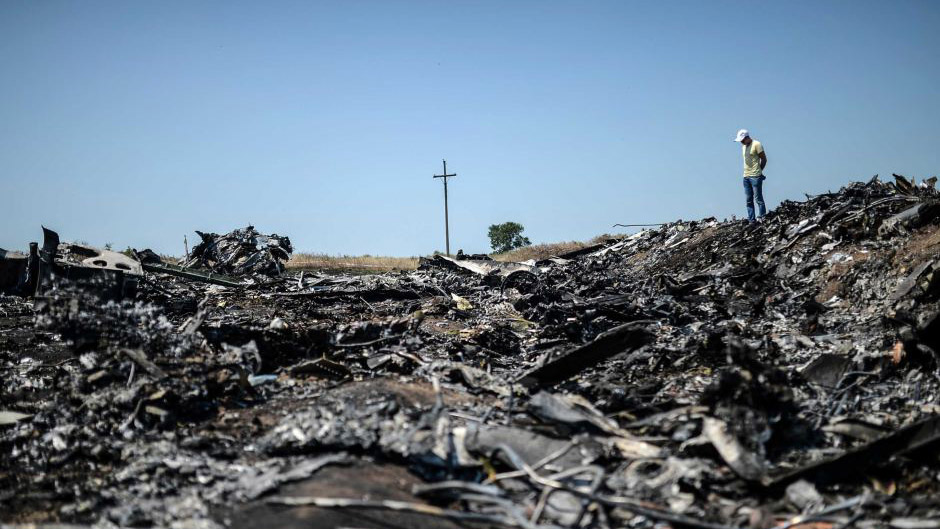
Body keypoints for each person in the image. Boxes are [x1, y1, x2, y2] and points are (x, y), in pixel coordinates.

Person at [733, 129, 767, 223]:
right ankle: (752, 220)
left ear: (747, 137)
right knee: (748, 200)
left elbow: (764, 159)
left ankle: (762, 218)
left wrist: (759, 171)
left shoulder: (757, 144)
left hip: (755, 176)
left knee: (758, 198)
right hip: (746, 176)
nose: (741, 142)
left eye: (742, 140)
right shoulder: (743, 147)